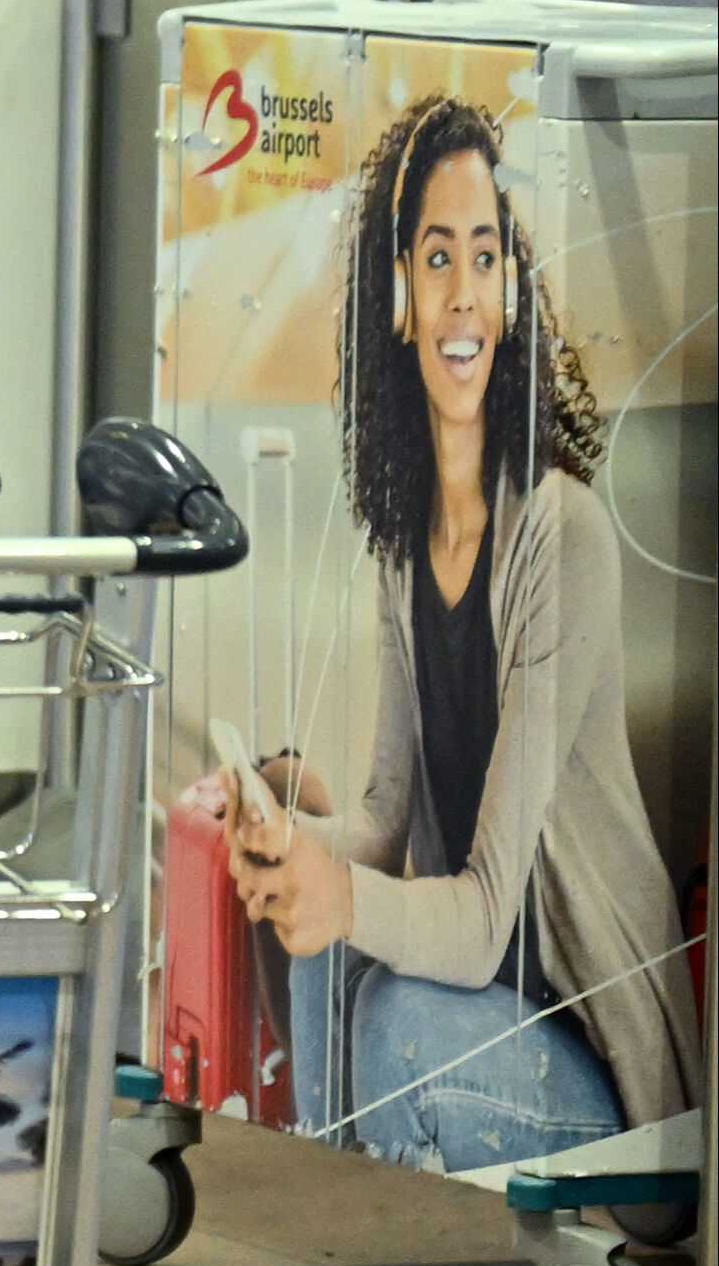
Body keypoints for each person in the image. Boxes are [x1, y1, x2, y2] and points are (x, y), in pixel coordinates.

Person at [228, 96, 695, 1170]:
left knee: (391, 1017)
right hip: (488, 1012)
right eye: (436, 257)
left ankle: (405, 1245)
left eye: (484, 257)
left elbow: (483, 916)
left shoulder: (561, 537)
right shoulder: (404, 542)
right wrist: (293, 847)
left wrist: (335, 892)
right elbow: (387, 820)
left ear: (511, 291)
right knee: (322, 955)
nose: (462, 294)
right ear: (396, 295)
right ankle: (359, 1224)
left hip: (606, 1079)